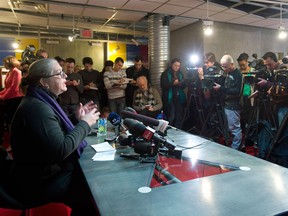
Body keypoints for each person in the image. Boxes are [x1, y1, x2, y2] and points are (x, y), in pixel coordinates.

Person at [8, 58, 100, 215]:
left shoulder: (41, 101)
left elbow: (54, 132)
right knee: (94, 191)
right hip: (42, 181)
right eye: (60, 73)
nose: (66, 77)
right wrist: (84, 124)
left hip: (45, 171)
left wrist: (75, 120)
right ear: (44, 82)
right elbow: (61, 149)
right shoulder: (37, 108)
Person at [213, 55, 243, 150]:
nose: (224, 68)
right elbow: (222, 84)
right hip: (226, 104)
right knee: (229, 128)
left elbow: (237, 91)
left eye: (226, 66)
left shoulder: (238, 74)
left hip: (234, 105)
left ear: (232, 64)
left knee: (235, 129)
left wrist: (221, 88)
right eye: (222, 66)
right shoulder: (226, 73)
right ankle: (232, 146)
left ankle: (235, 149)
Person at [160, 58, 186, 128]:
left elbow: (184, 86)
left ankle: (178, 130)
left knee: (179, 116)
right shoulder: (165, 73)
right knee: (171, 116)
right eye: (175, 65)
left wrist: (180, 84)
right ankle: (169, 130)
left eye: (178, 66)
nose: (177, 67)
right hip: (169, 98)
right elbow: (163, 85)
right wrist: (173, 83)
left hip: (178, 97)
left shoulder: (180, 73)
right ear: (171, 65)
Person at [0, 56, 24, 130]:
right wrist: (0, 94)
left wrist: (2, 97)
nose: (4, 65)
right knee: (9, 118)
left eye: (5, 63)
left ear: (10, 63)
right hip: (10, 98)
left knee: (12, 119)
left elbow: (14, 87)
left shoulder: (16, 71)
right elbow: (7, 88)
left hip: (16, 99)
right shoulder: (10, 72)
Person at [58, 57, 84, 124]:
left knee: (76, 122)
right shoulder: (60, 75)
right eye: (68, 67)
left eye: (71, 67)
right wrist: (63, 84)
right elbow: (56, 90)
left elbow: (81, 91)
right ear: (65, 66)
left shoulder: (78, 76)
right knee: (64, 123)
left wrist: (76, 85)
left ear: (74, 66)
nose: (69, 69)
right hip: (63, 103)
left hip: (75, 103)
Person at [237, 52, 254, 129]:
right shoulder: (238, 72)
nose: (241, 66)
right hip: (239, 97)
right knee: (241, 117)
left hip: (250, 97)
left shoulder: (253, 71)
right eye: (240, 65)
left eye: (243, 64)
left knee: (249, 115)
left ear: (247, 62)